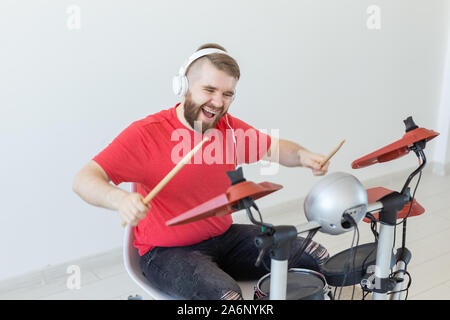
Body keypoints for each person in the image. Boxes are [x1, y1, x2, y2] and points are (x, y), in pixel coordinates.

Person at [72, 43, 330, 300]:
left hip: (225, 238)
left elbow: (274, 148)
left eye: (227, 94)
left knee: (316, 258)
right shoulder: (146, 133)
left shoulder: (228, 128)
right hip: (166, 252)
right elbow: (84, 179)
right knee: (227, 297)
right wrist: (121, 200)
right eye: (209, 90)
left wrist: (303, 156)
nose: (218, 102)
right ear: (183, 86)